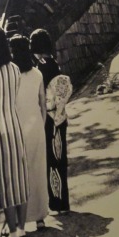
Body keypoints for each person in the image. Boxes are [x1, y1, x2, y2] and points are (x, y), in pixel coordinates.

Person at [0, 25, 29, 237]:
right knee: (20, 177)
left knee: (5, 180)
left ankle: (12, 231)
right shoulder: (15, 69)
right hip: (15, 126)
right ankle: (22, 227)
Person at [9, 34, 49, 231]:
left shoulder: (10, 76)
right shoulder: (38, 74)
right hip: (36, 129)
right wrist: (41, 125)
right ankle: (40, 217)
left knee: (20, 175)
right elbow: (43, 104)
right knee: (38, 172)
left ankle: (21, 221)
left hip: (17, 129)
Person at [30, 28, 71, 213]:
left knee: (52, 162)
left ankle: (57, 202)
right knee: (60, 159)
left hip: (48, 119)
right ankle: (63, 202)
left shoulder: (41, 67)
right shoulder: (53, 62)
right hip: (60, 117)